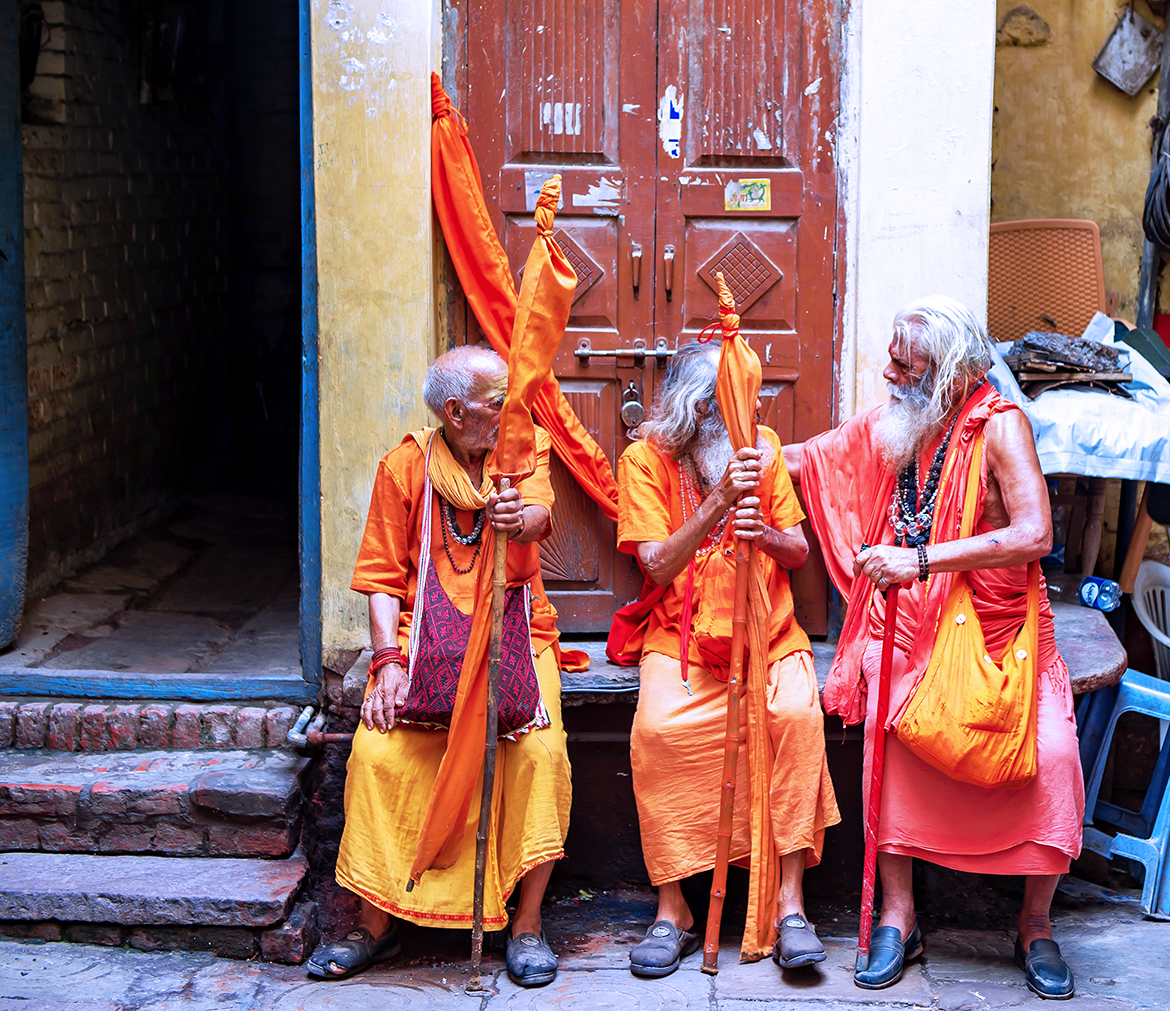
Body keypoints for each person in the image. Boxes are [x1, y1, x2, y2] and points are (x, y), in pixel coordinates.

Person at [784, 297, 1086, 1000]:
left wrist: (920, 560)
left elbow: (1035, 534)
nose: (889, 373)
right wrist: (727, 447)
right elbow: (812, 460)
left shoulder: (1001, 426)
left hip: (1002, 633)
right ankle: (900, 915)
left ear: (951, 373)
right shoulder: (902, 423)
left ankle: (1035, 924)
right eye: (892, 359)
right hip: (914, 627)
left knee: (1053, 756)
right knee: (889, 740)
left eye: (905, 364)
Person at [308, 347, 570, 987]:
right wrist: (386, 662)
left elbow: (540, 514)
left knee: (541, 755)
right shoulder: (404, 467)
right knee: (376, 755)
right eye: (496, 402)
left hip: (515, 636)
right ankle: (375, 925)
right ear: (455, 412)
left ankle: (527, 923)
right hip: (420, 642)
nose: (510, 411)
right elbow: (380, 578)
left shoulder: (522, 449)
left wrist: (517, 517)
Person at [615, 342, 840, 976]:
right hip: (682, 642)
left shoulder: (762, 448)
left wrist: (760, 531)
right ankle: (674, 911)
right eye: (740, 402)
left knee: (796, 718)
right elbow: (656, 564)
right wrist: (717, 501)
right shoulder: (644, 459)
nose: (755, 413)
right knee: (657, 732)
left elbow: (797, 550)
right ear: (699, 411)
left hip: (769, 638)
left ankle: (789, 908)